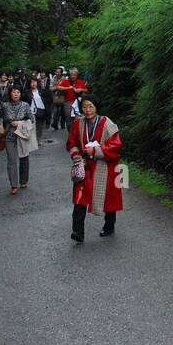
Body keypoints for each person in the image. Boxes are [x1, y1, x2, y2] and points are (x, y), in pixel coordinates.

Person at [66, 94, 122, 243]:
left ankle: (109, 225)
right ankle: (78, 231)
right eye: (84, 106)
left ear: (96, 107)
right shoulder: (78, 123)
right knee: (79, 198)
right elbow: (71, 144)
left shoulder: (107, 123)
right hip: (84, 166)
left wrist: (96, 151)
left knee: (108, 198)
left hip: (105, 166)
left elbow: (115, 145)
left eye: (91, 106)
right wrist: (77, 157)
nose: (88, 110)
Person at [0, 84, 37, 194]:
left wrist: (20, 123)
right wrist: (1, 127)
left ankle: (23, 180)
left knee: (24, 157)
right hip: (9, 135)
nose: (15, 94)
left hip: (22, 135)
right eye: (13, 92)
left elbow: (32, 120)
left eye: (18, 92)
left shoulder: (25, 105)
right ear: (10, 93)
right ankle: (13, 184)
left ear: (21, 94)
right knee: (11, 161)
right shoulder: (5, 106)